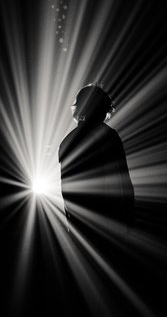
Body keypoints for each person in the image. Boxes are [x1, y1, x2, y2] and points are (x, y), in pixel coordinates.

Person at [59, 83, 135, 250]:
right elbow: (124, 180)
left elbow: (66, 188)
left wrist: (71, 221)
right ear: (103, 107)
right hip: (112, 219)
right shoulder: (110, 137)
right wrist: (129, 217)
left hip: (83, 221)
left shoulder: (67, 142)